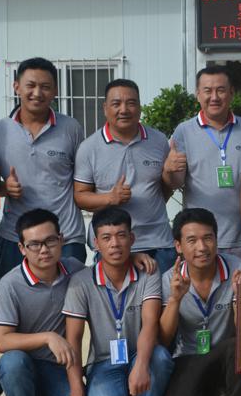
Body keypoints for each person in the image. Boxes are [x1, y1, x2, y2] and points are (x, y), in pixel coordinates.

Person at [61, 206, 174, 396]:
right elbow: (73, 340)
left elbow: (150, 323)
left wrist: (141, 365)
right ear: (95, 243)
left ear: (132, 239)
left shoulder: (148, 272)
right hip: (104, 361)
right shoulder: (81, 282)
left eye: (121, 235)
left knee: (160, 357)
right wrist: (77, 392)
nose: (115, 244)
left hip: (140, 353)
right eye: (106, 238)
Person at [0, 209, 89, 396]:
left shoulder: (76, 271)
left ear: (62, 239)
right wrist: (48, 337)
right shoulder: (10, 284)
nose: (44, 250)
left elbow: (109, 271)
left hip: (60, 368)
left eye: (50, 241)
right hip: (25, 366)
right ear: (22, 248)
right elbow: (2, 340)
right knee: (11, 362)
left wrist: (137, 258)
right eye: (34, 244)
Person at [159, 208, 241, 396]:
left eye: (208, 238)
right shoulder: (169, 279)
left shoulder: (237, 268)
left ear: (216, 239)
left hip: (226, 354)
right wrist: (175, 299)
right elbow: (164, 338)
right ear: (178, 246)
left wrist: (238, 298)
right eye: (192, 240)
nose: (202, 247)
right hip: (189, 357)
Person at [0, 57, 87, 278]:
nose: (37, 93)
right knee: (15, 296)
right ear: (16, 87)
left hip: (65, 236)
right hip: (16, 237)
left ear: (55, 91)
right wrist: (4, 188)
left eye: (45, 87)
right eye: (30, 85)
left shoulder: (71, 128)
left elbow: (84, 181)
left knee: (72, 297)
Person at [74, 79, 176, 272]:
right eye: (116, 103)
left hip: (159, 243)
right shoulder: (89, 148)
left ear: (140, 107)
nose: (124, 109)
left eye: (131, 103)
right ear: (105, 108)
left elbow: (164, 188)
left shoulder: (158, 141)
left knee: (165, 292)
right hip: (113, 245)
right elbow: (80, 196)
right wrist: (110, 198)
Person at [164, 66, 241, 262]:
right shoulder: (184, 131)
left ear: (231, 93)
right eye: (207, 91)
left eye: (220, 90)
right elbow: (175, 182)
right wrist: (169, 170)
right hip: (200, 241)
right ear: (198, 94)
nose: (214, 97)